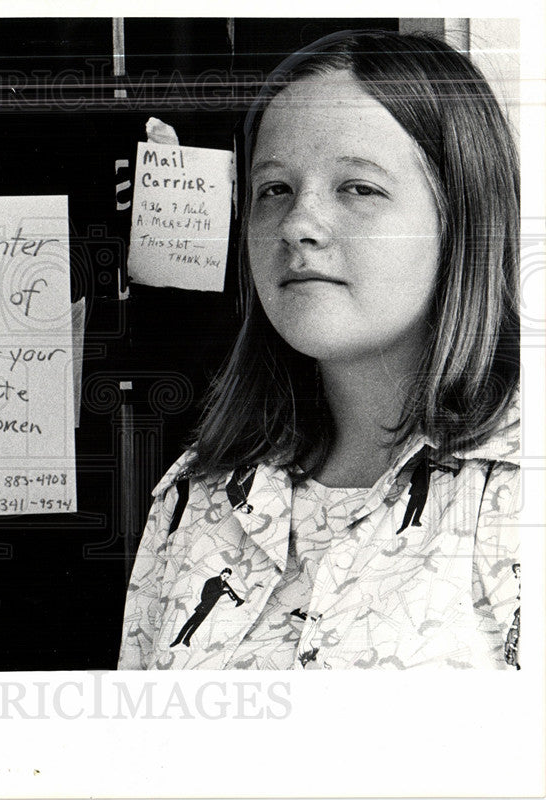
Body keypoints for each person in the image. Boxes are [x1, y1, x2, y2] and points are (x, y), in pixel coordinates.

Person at [118, 30, 520, 670]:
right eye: (273, 189)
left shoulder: (521, 488)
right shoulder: (200, 493)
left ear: (463, 215)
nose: (298, 223)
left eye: (359, 188)